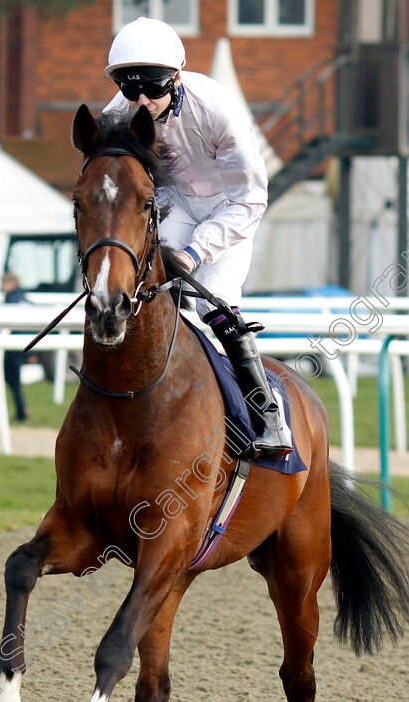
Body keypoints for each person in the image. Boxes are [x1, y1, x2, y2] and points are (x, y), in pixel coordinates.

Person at [103, 17, 291, 457]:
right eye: (132, 92)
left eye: (153, 89)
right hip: (172, 202)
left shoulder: (217, 110)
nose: (143, 103)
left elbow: (251, 198)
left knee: (214, 303)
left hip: (229, 207)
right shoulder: (116, 114)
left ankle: (266, 415)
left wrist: (192, 253)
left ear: (177, 77)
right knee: (145, 292)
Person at [2, 271, 31, 423]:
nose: (2, 286)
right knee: (15, 380)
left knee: (13, 380)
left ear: (12, 283)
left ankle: (22, 411)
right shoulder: (25, 298)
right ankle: (22, 410)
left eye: (5, 283)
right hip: (28, 343)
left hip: (14, 346)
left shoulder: (11, 299)